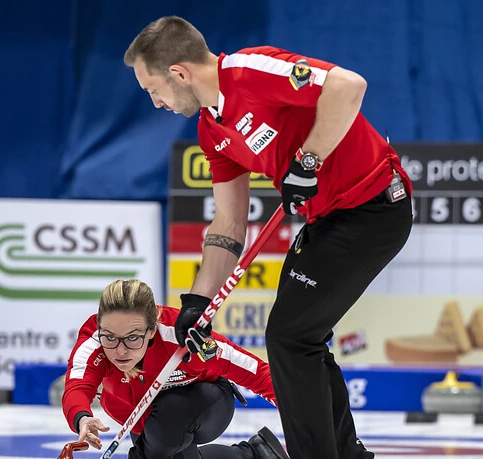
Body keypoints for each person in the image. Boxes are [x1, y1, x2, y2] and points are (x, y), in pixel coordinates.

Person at [124, 17, 413, 459]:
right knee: (301, 339)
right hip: (327, 219)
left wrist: (308, 160)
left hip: (374, 206)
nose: (156, 102)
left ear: (179, 73)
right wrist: (197, 302)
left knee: (290, 337)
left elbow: (348, 86)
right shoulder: (211, 130)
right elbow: (228, 223)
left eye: (153, 89)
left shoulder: (248, 72)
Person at [62, 279, 289, 459]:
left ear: (152, 329)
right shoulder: (94, 342)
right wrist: (81, 417)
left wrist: (300, 412)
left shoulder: (181, 335)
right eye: (110, 337)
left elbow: (255, 372)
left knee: (168, 419)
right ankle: (255, 453)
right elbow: (77, 386)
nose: (120, 351)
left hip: (205, 404)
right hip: (143, 420)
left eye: (132, 338)